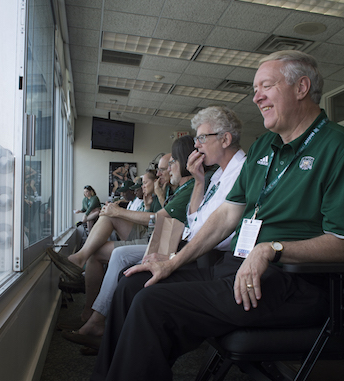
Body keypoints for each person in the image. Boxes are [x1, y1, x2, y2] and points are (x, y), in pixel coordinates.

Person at [91, 50, 344, 381]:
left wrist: (272, 249)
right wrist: (173, 261)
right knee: (133, 286)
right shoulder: (264, 147)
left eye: (266, 86)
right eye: (255, 88)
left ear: (301, 87)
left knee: (151, 304)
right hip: (237, 270)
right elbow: (228, 214)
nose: (256, 96)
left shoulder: (341, 148)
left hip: (292, 283)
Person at [61, 105, 246, 351]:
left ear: (225, 139)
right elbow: (195, 219)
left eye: (202, 138)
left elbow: (173, 221)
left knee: (125, 267)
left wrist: (172, 257)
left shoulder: (231, 175)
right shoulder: (209, 180)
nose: (198, 145)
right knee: (125, 272)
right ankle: (96, 322)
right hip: (183, 244)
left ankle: (96, 319)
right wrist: (197, 181)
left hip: (193, 251)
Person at [50, 137, 196, 319]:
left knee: (101, 244)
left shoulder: (184, 188)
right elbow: (160, 219)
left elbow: (159, 220)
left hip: (163, 242)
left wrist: (120, 212)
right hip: (155, 234)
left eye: (165, 167)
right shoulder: (171, 188)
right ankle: (80, 262)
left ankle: (91, 315)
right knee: (108, 218)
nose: (159, 174)